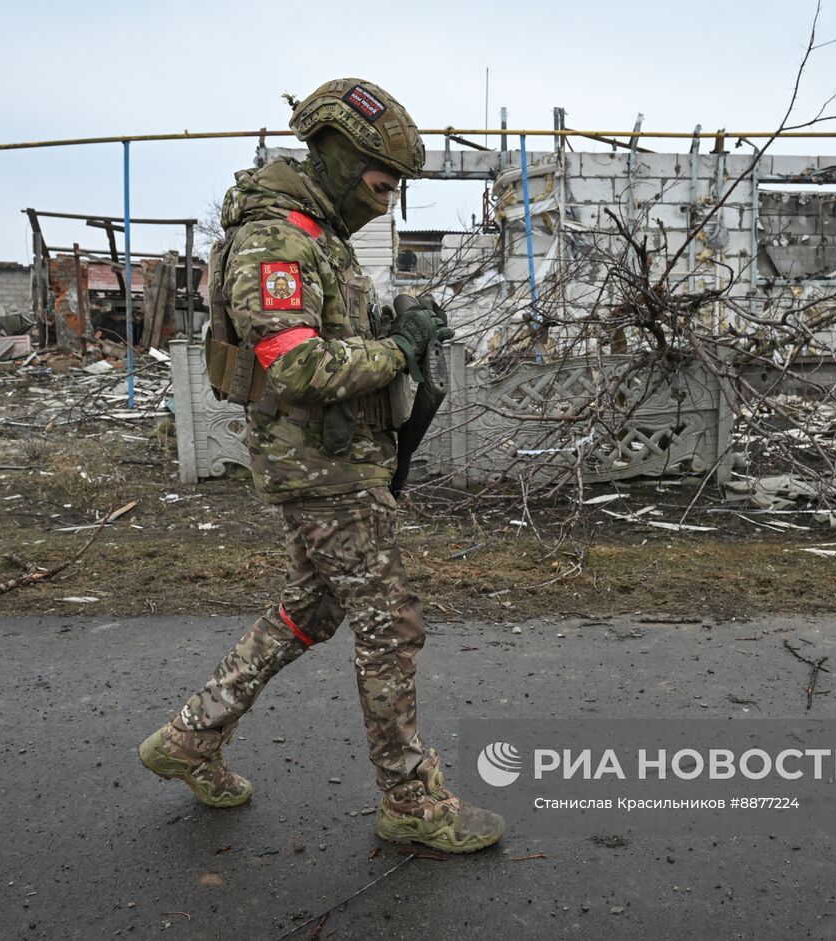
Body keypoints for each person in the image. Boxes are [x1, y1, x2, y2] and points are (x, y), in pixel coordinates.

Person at [138, 78, 505, 854]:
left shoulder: (314, 234)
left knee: (313, 609)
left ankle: (189, 736)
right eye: (382, 181)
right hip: (324, 472)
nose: (389, 197)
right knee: (390, 625)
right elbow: (296, 364)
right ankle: (411, 800)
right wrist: (397, 348)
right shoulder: (278, 240)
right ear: (340, 157)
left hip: (333, 463)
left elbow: (329, 334)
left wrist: (397, 323)